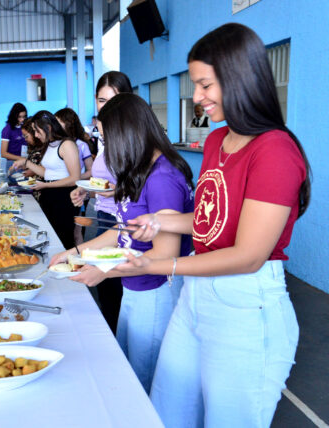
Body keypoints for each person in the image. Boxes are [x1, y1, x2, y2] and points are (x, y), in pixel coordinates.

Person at [117, 23, 310, 428]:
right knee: (166, 413)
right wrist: (161, 221)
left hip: (246, 304)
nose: (196, 96)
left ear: (240, 79)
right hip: (196, 295)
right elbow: (210, 220)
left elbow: (248, 255)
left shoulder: (275, 150)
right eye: (195, 85)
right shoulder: (216, 140)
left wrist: (158, 264)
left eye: (205, 85)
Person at [50, 93, 194, 393]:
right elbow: (121, 230)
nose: (106, 149)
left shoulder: (162, 178)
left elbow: (164, 254)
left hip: (154, 292)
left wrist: (103, 272)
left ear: (128, 133)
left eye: (107, 139)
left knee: (142, 382)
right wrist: (74, 253)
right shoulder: (139, 172)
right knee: (129, 370)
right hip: (134, 285)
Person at [69, 71, 133, 333]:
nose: (106, 107)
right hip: (104, 218)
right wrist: (89, 193)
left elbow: (139, 189)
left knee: (118, 297)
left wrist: (114, 191)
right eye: (101, 100)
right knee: (106, 296)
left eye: (113, 100)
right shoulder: (105, 136)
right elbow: (108, 185)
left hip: (125, 225)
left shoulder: (131, 139)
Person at [11, 110, 80, 249]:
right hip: (49, 196)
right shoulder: (49, 144)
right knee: (50, 237)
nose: (36, 135)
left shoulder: (67, 145)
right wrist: (26, 162)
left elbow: (75, 178)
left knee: (63, 238)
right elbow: (47, 173)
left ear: (48, 127)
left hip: (64, 198)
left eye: (37, 131)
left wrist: (46, 185)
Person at [55, 108, 94, 180]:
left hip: (74, 184)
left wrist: (74, 178)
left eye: (58, 123)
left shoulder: (81, 145)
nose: (55, 126)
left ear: (69, 123)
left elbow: (91, 170)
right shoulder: (55, 143)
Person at [1, 103, 28, 172]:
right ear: (14, 116)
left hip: (25, 162)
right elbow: (3, 153)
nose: (22, 119)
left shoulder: (25, 127)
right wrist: (21, 158)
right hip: (12, 164)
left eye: (24, 117)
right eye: (19, 117)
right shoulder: (7, 129)